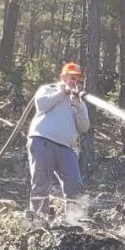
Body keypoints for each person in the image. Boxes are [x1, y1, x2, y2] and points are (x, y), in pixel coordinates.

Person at [29, 62, 90, 216]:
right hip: (42, 141)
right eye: (72, 78)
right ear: (63, 77)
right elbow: (42, 105)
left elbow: (84, 127)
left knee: (74, 185)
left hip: (66, 148)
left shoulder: (79, 101)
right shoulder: (49, 89)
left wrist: (78, 107)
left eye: (78, 79)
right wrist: (63, 91)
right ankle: (39, 218)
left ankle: (74, 220)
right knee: (41, 183)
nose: (75, 82)